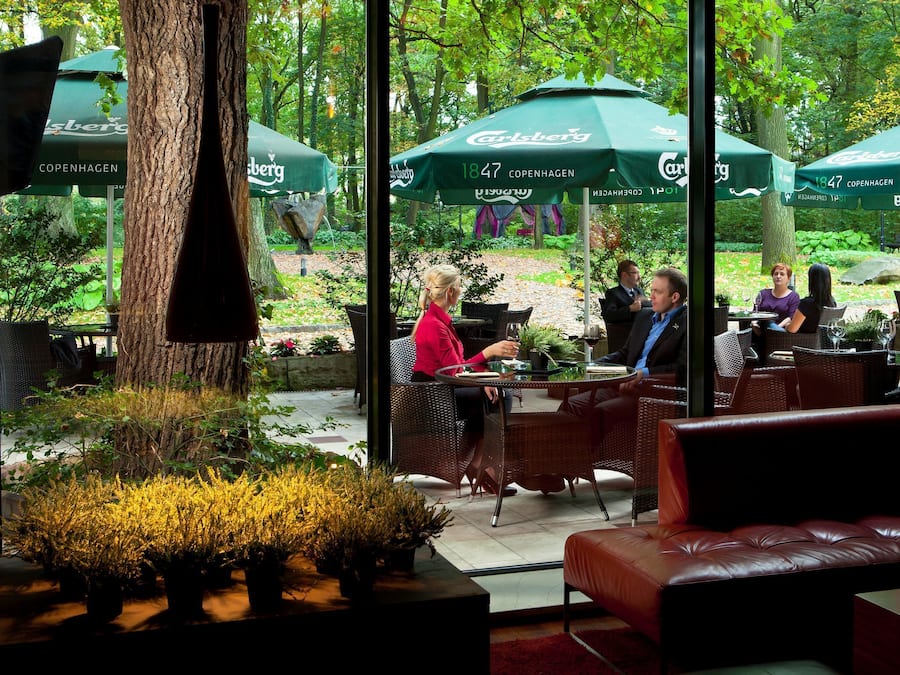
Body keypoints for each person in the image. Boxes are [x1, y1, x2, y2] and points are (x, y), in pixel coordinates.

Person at [411, 263, 519, 495]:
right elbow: (454, 371)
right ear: (450, 291)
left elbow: (456, 366)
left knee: (496, 394)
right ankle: (480, 465)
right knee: (499, 397)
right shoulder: (434, 325)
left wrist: (484, 379)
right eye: (459, 286)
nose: (461, 291)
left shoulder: (441, 320)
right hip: (432, 394)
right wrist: (488, 352)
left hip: (443, 386)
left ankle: (478, 463)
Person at [559, 267, 689, 445]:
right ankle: (566, 457)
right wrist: (593, 366)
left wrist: (643, 374)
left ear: (674, 297)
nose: (651, 296)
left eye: (657, 292)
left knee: (601, 412)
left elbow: (682, 369)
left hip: (652, 393)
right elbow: (625, 353)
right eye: (651, 290)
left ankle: (587, 457)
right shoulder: (645, 316)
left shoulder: (687, 323)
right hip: (623, 384)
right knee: (569, 405)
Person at [601, 260, 652, 351]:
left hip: (643, 336)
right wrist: (630, 309)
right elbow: (609, 315)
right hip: (624, 339)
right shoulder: (613, 293)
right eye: (635, 273)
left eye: (639, 273)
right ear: (624, 275)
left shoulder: (639, 291)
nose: (639, 277)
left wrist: (648, 302)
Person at [750, 262, 801, 353]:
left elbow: (790, 317)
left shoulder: (793, 296)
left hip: (779, 333)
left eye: (782, 274)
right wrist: (754, 324)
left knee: (768, 322)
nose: (778, 276)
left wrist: (775, 329)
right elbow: (755, 312)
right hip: (759, 330)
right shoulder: (763, 293)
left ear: (788, 278)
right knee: (764, 323)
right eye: (776, 274)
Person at [781, 262, 837, 334]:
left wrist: (787, 325)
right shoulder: (832, 302)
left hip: (797, 339)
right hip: (821, 339)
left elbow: (792, 329)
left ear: (812, 281)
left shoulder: (806, 304)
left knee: (770, 324)